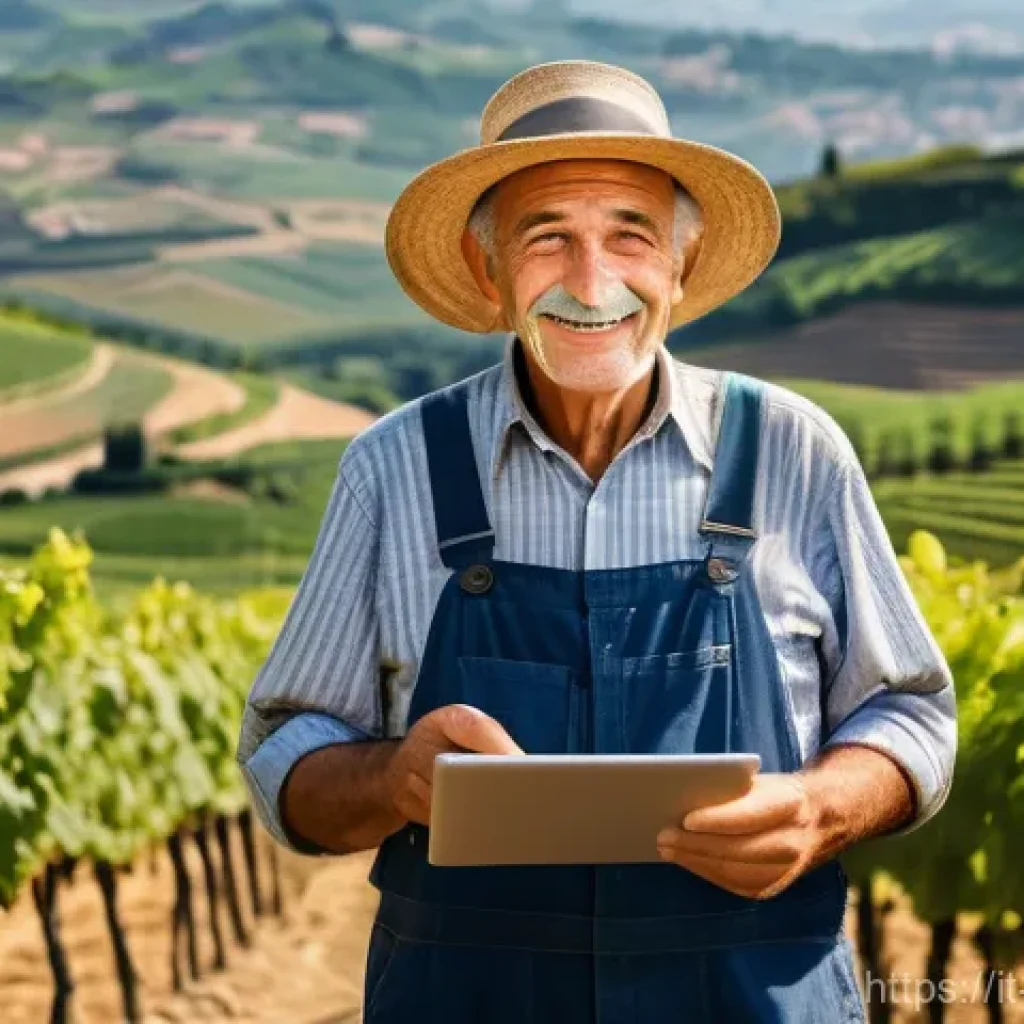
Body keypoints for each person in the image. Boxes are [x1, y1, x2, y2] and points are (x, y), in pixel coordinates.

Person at [236, 60, 956, 1022]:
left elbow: (910, 713)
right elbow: (286, 752)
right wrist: (392, 776)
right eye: (547, 238)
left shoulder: (793, 451)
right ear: (488, 271)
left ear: (681, 265)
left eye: (630, 236)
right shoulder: (393, 468)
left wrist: (821, 811)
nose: (591, 282)